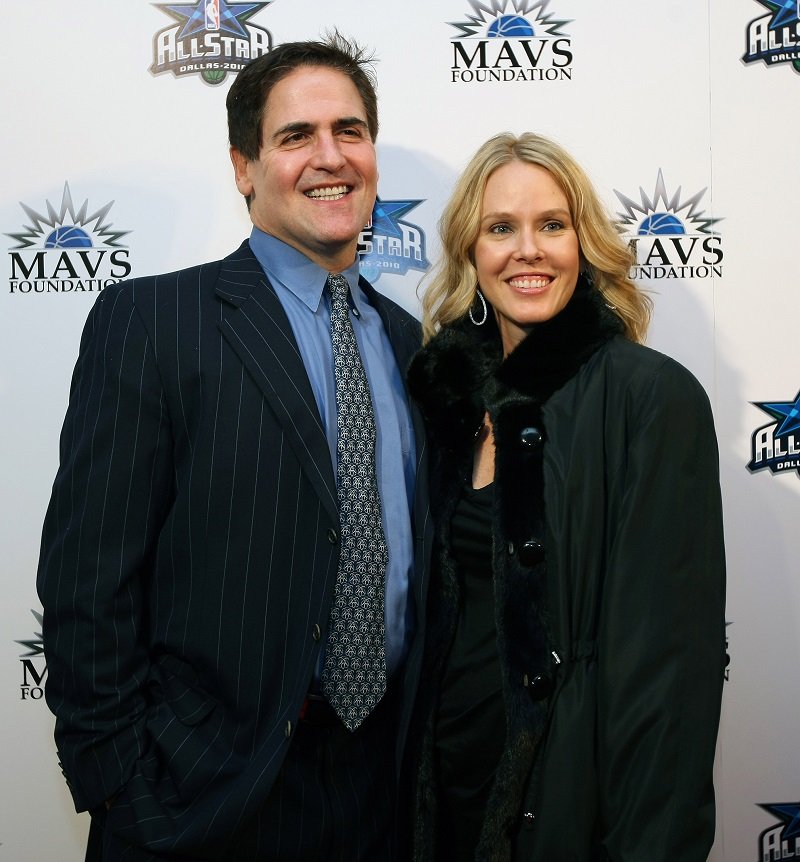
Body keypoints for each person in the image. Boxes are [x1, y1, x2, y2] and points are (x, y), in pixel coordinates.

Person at [37, 34, 431, 862]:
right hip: (201, 800)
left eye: (350, 131)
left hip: (381, 795)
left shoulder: (407, 341)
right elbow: (87, 584)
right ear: (244, 166)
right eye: (296, 137)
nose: (331, 157)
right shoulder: (154, 323)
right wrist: (122, 789)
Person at [406, 132, 726, 861]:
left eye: (552, 225)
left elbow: (667, 677)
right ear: (470, 252)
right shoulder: (444, 402)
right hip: (441, 803)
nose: (528, 251)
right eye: (500, 228)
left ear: (584, 243)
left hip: (562, 813)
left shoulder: (651, 398)